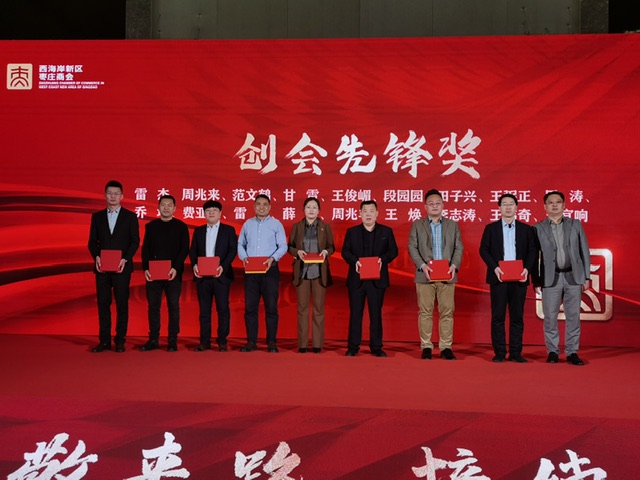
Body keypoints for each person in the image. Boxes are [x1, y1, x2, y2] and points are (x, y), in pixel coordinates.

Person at [533, 191, 590, 366]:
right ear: (545, 206)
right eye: (550, 202)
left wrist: (586, 276)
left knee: (573, 316)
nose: (554, 205)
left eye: (558, 202)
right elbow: (534, 256)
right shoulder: (537, 228)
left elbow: (584, 250)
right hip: (551, 278)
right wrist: (536, 280)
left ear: (564, 205)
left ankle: (572, 352)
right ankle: (552, 351)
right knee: (550, 316)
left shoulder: (575, 224)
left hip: (574, 276)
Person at [479, 194, 537, 363]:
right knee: (498, 316)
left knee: (517, 317)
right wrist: (495, 267)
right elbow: (484, 250)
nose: (508, 207)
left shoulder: (526, 229)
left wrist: (527, 269)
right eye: (504, 204)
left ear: (517, 207)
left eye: (511, 204)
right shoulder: (491, 228)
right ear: (499, 208)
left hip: (519, 278)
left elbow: (533, 251)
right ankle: (499, 352)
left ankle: (516, 352)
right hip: (499, 277)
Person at [407, 189, 464, 360]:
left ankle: (446, 347)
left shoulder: (452, 225)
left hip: (447, 275)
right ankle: (426, 346)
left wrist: (454, 266)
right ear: (425, 206)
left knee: (447, 312)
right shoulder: (417, 225)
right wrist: (422, 265)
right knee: (425, 312)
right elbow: (412, 247)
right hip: (425, 275)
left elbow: (458, 247)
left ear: (443, 205)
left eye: (438, 203)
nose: (434, 206)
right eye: (431, 203)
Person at [88, 180, 140, 353]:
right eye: (110, 193)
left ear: (122, 196)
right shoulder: (97, 217)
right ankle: (104, 341)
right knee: (103, 304)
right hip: (102, 267)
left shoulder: (130, 217)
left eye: (116, 193)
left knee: (122, 304)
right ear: (105, 195)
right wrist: (96, 257)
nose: (113, 196)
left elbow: (135, 241)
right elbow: (92, 242)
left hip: (121, 267)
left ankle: (120, 341)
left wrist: (125, 259)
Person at [342, 200, 398, 357]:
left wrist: (382, 260)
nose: (368, 214)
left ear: (377, 213)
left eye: (371, 211)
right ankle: (353, 346)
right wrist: (355, 261)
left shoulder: (386, 231)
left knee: (376, 314)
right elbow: (345, 252)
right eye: (365, 211)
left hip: (377, 280)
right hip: (357, 279)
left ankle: (376, 346)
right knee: (355, 314)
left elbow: (393, 251)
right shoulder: (352, 232)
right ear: (360, 213)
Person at [237, 194, 287, 352]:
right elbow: (240, 244)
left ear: (270, 207)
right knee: (250, 308)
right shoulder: (247, 224)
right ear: (254, 206)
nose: (262, 207)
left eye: (265, 204)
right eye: (258, 204)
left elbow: (283, 246)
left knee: (271, 307)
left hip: (269, 270)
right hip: (251, 270)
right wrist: (244, 257)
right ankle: (251, 341)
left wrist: (273, 258)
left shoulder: (276, 224)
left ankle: (271, 342)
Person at [140, 195, 190, 352]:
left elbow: (184, 249)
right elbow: (145, 249)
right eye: (163, 205)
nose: (166, 207)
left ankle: (172, 339)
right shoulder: (151, 226)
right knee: (153, 307)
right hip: (153, 273)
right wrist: (146, 269)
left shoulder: (181, 226)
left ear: (174, 208)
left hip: (173, 273)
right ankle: (153, 339)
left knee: (173, 306)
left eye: (169, 205)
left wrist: (175, 268)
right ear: (158, 207)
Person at [288, 197, 335, 353]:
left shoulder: (325, 227)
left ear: (318, 210)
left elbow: (331, 247)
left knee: (318, 309)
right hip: (302, 272)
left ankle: (317, 344)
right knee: (302, 309)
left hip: (319, 272)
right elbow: (290, 247)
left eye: (314, 207)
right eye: (309, 207)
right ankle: (302, 344)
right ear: (304, 209)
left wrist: (326, 252)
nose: (311, 210)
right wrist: (297, 252)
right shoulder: (297, 227)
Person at [189, 200, 237, 352]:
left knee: (222, 309)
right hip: (203, 276)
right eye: (208, 210)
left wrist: (223, 266)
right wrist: (194, 265)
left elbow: (232, 250)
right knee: (204, 311)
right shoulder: (199, 231)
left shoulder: (228, 230)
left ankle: (222, 341)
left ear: (220, 213)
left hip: (221, 275)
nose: (211, 213)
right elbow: (193, 250)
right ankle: (204, 341)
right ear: (204, 213)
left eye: (214, 210)